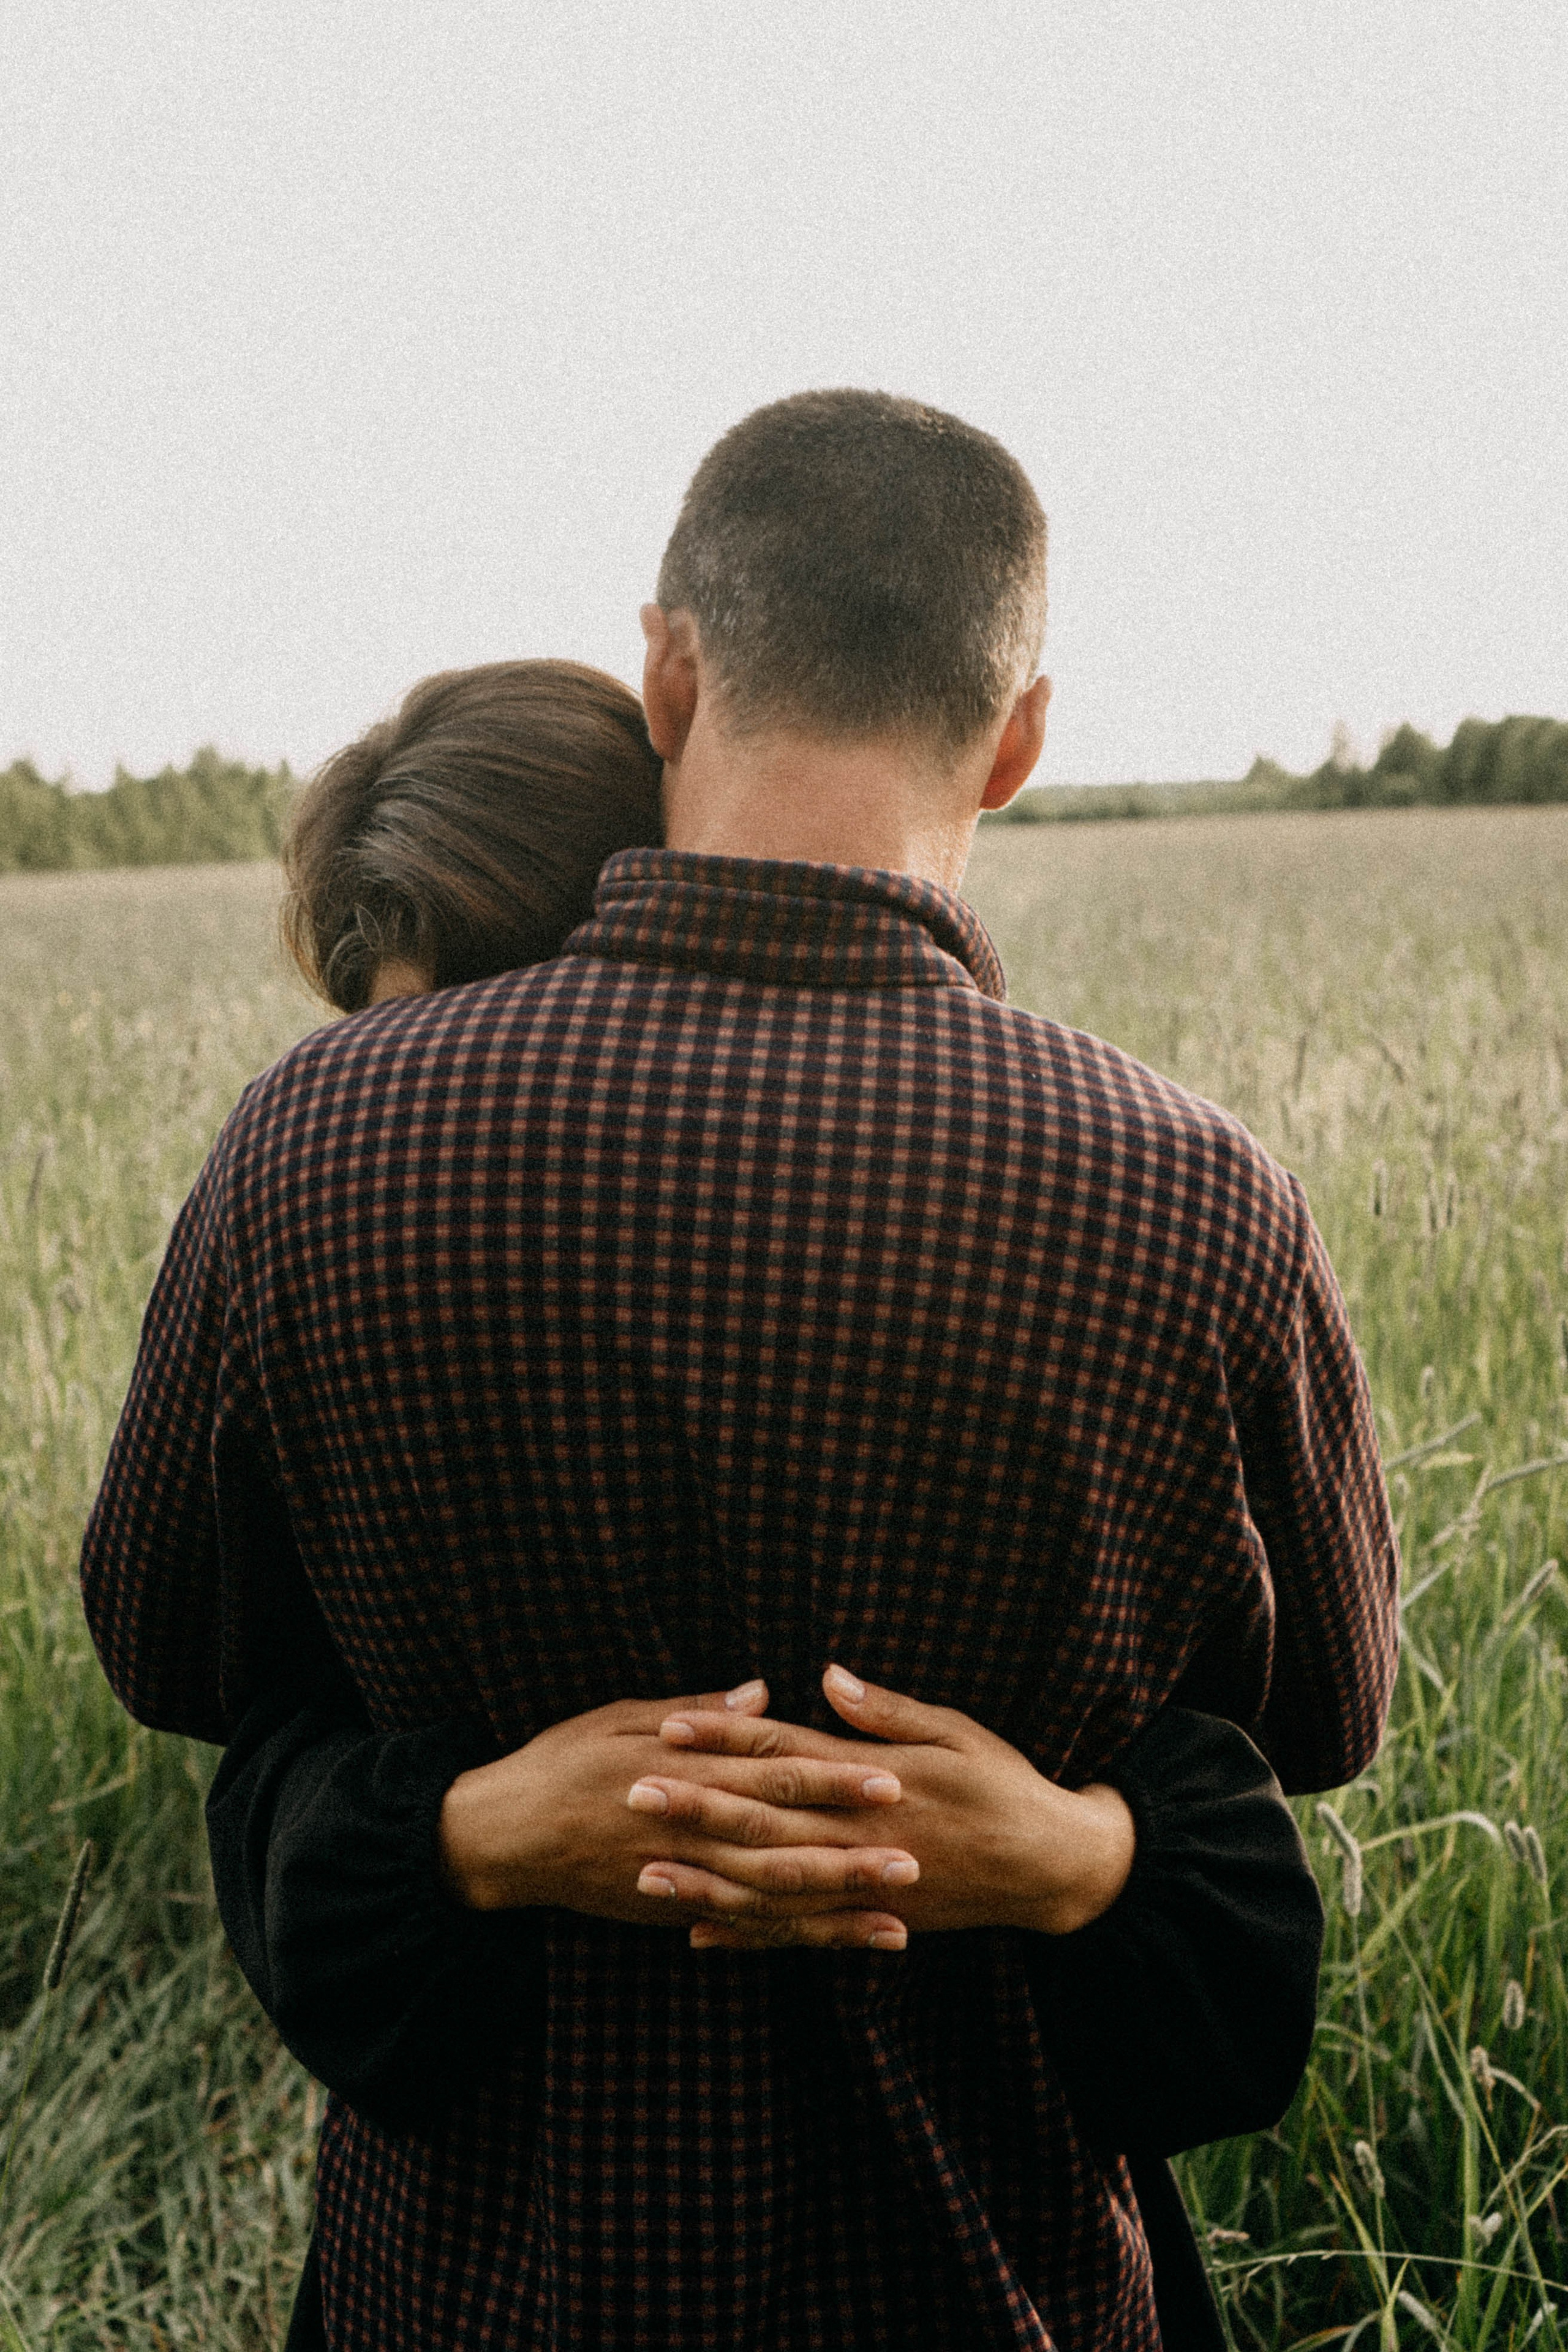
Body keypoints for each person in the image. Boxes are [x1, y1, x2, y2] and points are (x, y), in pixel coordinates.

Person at [81, 388, 1400, 2351]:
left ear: (670, 675)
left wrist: (467, 1814)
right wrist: (1080, 1845)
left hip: (476, 2289)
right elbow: (1328, 1716)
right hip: (996, 2279)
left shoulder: (309, 1143)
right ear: (1024, 738)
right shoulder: (1208, 1207)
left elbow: (172, 1650)